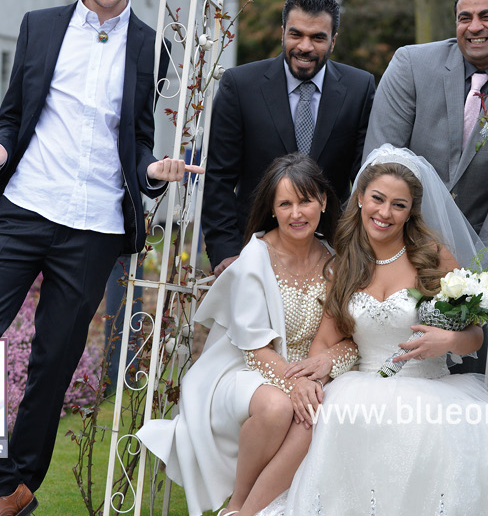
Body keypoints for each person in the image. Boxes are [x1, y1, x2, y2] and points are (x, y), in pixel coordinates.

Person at [0, 0, 200, 516]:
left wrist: (152, 172)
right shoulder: (38, 27)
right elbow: (14, 115)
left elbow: (137, 140)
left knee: (54, 362)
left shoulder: (151, 48)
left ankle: (15, 495)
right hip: (23, 206)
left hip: (93, 225)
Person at [264, 145, 488, 516]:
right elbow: (326, 341)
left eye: (399, 204)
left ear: (412, 211)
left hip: (431, 389)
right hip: (360, 388)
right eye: (378, 199)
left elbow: (474, 335)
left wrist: (450, 340)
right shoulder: (345, 261)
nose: (385, 213)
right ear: (361, 197)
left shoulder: (434, 256)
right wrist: (311, 377)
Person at [136, 153, 359, 516]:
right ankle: (237, 504)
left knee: (317, 411)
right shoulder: (256, 258)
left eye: (304, 201)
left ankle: (247, 512)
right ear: (272, 209)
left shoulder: (336, 263)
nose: (296, 213)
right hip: (242, 373)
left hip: (301, 376)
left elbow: (350, 341)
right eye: (285, 204)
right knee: (277, 407)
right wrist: (297, 385)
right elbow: (256, 351)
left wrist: (320, 367)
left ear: (322, 200)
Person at [364, 0, 488, 374]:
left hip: (468, 266)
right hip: (391, 256)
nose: (474, 26)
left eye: (486, 16)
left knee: (458, 395)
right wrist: (392, 263)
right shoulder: (411, 64)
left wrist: (468, 299)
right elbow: (380, 167)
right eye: (465, 17)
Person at [202, 0, 376, 277]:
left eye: (318, 37)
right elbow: (219, 176)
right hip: (252, 254)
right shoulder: (240, 86)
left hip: (332, 257)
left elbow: (364, 181)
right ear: (283, 32)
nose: (305, 46)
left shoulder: (360, 89)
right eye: (296, 34)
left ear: (333, 40)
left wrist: (359, 253)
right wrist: (226, 251)